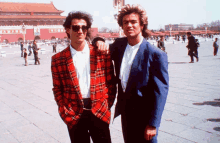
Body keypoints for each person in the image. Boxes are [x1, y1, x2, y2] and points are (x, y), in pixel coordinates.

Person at [93, 4, 169, 143]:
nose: (129, 25)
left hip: (145, 116)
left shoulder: (155, 54)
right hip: (126, 114)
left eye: (133, 22)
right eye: (125, 22)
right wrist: (98, 40)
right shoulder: (119, 45)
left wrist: (153, 124)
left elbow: (161, 92)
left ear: (142, 25)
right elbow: (102, 47)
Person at [51, 11, 116, 143]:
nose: (80, 31)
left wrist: (106, 105)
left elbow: (111, 83)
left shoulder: (101, 54)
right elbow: (58, 89)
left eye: (83, 27)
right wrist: (64, 111)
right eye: (75, 28)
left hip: (99, 111)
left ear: (87, 30)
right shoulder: (58, 59)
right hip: (74, 113)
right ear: (68, 30)